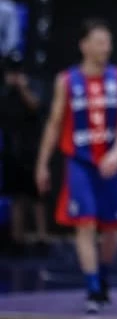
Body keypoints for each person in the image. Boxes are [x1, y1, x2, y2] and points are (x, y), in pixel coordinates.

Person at [34, 19, 117, 314]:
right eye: (101, 41)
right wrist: (42, 164)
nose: (107, 47)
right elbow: (54, 124)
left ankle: (103, 277)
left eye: (109, 42)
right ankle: (92, 288)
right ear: (84, 45)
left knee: (113, 230)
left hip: (111, 163)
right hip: (80, 162)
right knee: (85, 223)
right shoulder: (67, 80)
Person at [0, 53, 47, 253]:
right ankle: (16, 238)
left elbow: (35, 105)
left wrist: (22, 86)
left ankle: (42, 238)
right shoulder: (4, 91)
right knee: (16, 196)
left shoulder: (32, 84)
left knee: (37, 196)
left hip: (32, 149)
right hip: (12, 149)